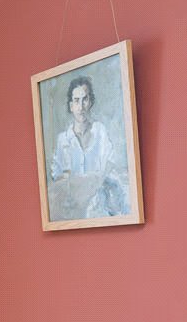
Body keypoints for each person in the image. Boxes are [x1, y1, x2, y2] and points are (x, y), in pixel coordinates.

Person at [50, 74, 129, 218]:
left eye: (85, 99)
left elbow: (109, 166)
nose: (81, 107)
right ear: (71, 106)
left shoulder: (100, 131)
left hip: (99, 207)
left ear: (91, 102)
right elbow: (58, 177)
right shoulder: (63, 140)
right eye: (76, 101)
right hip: (73, 208)